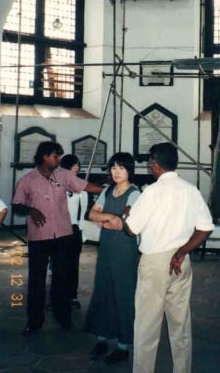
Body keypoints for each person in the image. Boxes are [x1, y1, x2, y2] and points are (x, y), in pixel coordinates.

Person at [124, 143, 214, 373]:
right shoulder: (190, 190)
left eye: (149, 163)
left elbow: (131, 229)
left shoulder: (152, 192)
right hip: (180, 261)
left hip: (155, 263)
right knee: (180, 323)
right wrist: (183, 251)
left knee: (147, 325)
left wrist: (127, 216)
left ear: (154, 164)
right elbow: (205, 229)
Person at [12, 141, 103, 335]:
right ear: (44, 156)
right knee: (37, 280)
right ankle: (34, 322)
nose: (59, 159)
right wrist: (31, 209)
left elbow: (87, 187)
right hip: (39, 237)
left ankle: (64, 318)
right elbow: (17, 206)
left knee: (61, 279)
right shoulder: (27, 181)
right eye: (55, 155)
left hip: (63, 235)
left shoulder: (64, 175)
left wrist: (113, 190)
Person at [83, 152, 141, 364]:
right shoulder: (107, 191)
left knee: (123, 295)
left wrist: (108, 220)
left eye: (121, 168)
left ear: (129, 171)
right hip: (107, 249)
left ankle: (124, 345)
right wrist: (110, 217)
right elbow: (92, 214)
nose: (116, 172)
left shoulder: (135, 194)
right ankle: (102, 339)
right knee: (103, 291)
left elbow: (126, 224)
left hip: (125, 251)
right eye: (113, 167)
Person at [60, 154, 89, 310]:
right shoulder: (58, 187)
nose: (76, 168)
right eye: (73, 165)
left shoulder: (82, 191)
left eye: (78, 165)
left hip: (74, 230)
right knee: (60, 265)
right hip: (59, 230)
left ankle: (72, 296)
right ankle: (58, 297)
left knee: (73, 265)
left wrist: (81, 230)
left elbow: (83, 213)